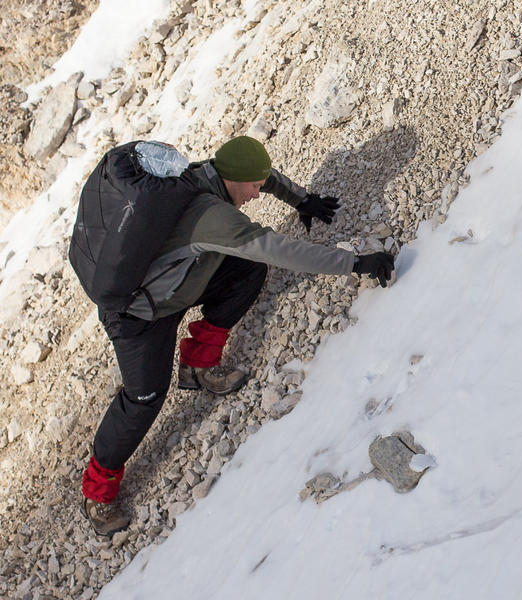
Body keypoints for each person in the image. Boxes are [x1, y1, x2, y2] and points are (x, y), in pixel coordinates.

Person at [80, 136, 395, 536]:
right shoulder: (214, 219)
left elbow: (261, 175)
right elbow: (281, 249)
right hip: (139, 315)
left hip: (173, 287)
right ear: (233, 180)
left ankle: (197, 367)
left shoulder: (209, 171)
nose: (257, 194)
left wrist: (302, 200)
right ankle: (97, 490)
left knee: (248, 271)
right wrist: (354, 262)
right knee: (143, 399)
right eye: (253, 188)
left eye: (260, 187)